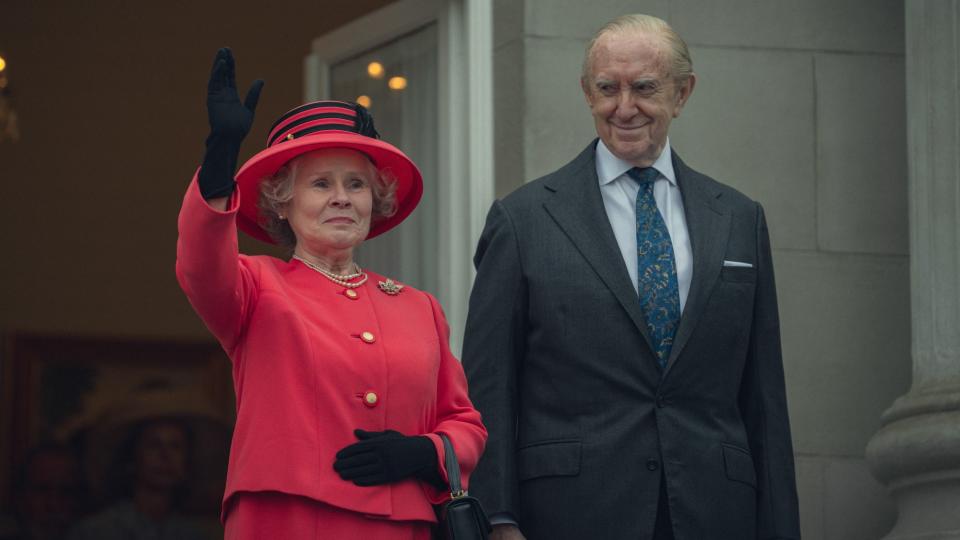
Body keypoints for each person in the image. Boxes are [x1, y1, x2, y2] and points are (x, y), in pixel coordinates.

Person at [462, 14, 800, 540]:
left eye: (644, 88)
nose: (624, 107)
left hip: (716, 511)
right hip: (570, 511)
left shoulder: (738, 217)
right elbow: (489, 386)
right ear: (585, 92)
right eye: (606, 89)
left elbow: (764, 397)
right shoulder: (523, 220)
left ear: (682, 93)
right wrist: (496, 518)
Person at [175, 48, 487, 539]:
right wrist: (219, 158)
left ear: (374, 200)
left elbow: (464, 422)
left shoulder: (419, 308)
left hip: (400, 527)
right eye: (321, 183)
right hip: (285, 521)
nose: (342, 196)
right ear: (283, 202)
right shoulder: (255, 287)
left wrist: (426, 452)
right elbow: (200, 266)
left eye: (356, 184)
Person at [68, 418, 205, 540]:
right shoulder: (95, 532)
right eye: (154, 445)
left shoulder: (192, 535)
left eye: (175, 446)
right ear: (132, 458)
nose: (165, 455)